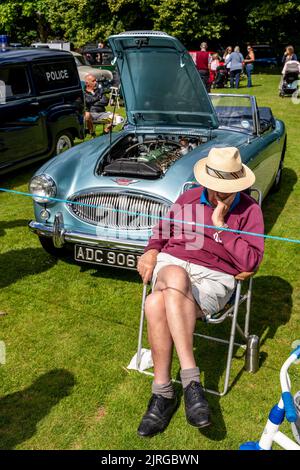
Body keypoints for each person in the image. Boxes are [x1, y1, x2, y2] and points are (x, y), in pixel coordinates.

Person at [136, 147, 264, 437]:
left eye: (226, 190)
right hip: (173, 264)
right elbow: (161, 234)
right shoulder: (189, 198)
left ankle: (163, 394)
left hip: (215, 277)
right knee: (176, 276)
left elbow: (251, 261)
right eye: (215, 188)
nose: (219, 194)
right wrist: (151, 251)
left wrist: (222, 228)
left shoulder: (249, 211)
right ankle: (192, 382)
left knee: (157, 304)